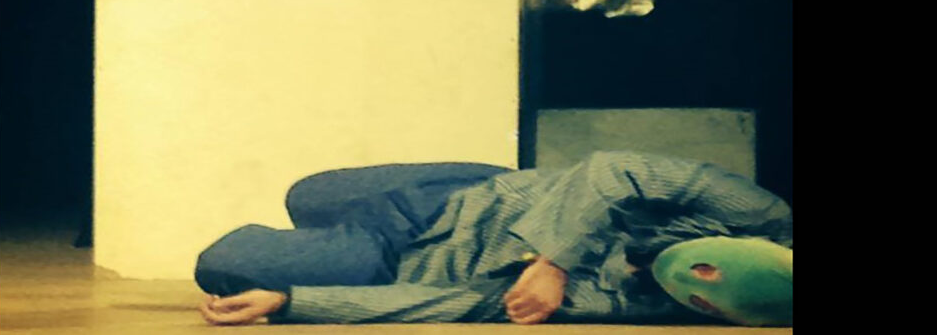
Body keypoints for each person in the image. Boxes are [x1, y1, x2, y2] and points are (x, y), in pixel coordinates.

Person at [193, 151, 792, 326]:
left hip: (406, 259)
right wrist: (555, 260)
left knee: (226, 263)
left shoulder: (626, 302)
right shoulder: (760, 214)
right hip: (469, 193)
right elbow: (616, 170)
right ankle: (326, 238)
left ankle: (331, 251)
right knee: (308, 193)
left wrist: (292, 302)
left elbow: (466, 304)